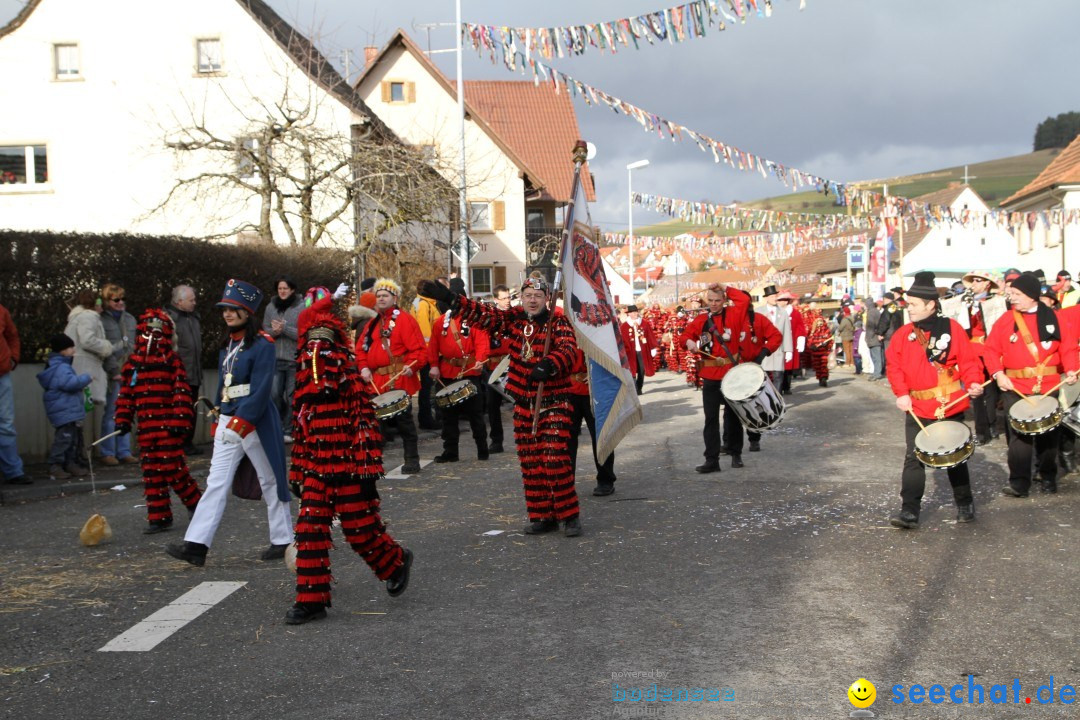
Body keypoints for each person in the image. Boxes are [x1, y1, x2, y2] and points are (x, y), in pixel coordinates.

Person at [422, 273, 583, 537]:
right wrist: (451, 299)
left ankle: (569, 515)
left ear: (547, 298)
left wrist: (551, 363)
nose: (532, 300)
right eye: (528, 295)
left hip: (554, 402)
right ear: (522, 297)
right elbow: (483, 314)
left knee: (554, 458)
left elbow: (568, 349)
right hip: (524, 402)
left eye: (538, 296)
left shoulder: (559, 321)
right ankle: (543, 515)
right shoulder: (514, 318)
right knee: (531, 463)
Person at [285, 290, 411, 625]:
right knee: (310, 531)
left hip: (350, 469)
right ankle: (310, 600)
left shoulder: (351, 384)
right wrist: (297, 472)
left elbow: (366, 427)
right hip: (316, 468)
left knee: (360, 531)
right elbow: (301, 433)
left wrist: (368, 474)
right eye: (312, 352)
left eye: (324, 352)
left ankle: (395, 562)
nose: (317, 361)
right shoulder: (302, 392)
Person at [166, 279, 294, 567]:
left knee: (270, 479)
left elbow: (260, 389)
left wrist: (242, 419)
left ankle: (283, 538)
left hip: (256, 421)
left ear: (247, 313)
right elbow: (228, 385)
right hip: (230, 418)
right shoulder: (228, 345)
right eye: (225, 308)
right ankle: (196, 546)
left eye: (234, 309)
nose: (227, 314)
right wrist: (220, 414)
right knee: (216, 482)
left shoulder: (263, 345)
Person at [885, 272, 984, 529]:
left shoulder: (952, 329)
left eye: (914, 305)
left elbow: (969, 361)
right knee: (913, 458)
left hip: (948, 403)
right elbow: (894, 367)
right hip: (917, 407)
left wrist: (973, 382)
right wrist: (902, 394)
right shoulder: (902, 335)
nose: (909, 310)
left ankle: (964, 503)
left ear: (930, 305)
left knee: (954, 456)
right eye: (908, 304)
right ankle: (909, 511)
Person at [985, 272, 1079, 497]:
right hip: (1014, 385)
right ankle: (1019, 482)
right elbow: (990, 349)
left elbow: (1068, 347)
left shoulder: (1055, 318)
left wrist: (1071, 369)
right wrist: (998, 374)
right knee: (1018, 436)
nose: (1012, 298)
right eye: (1011, 294)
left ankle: (1047, 475)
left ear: (1031, 296)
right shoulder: (1007, 319)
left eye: (1017, 294)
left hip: (1047, 385)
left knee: (1048, 434)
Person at [115, 308, 203, 534]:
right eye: (148, 333)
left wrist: (179, 421)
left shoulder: (172, 361)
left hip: (167, 427)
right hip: (146, 427)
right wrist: (123, 420)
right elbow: (126, 395)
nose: (152, 338)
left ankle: (197, 505)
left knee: (173, 467)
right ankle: (159, 516)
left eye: (158, 333)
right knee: (152, 471)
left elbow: (181, 393)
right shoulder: (133, 364)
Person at [355, 278, 427, 474]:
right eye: (378, 296)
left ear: (394, 298)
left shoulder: (405, 320)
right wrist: (363, 367)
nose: (381, 299)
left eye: (385, 296)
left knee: (404, 422)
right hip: (376, 380)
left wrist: (411, 367)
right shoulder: (371, 324)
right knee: (373, 424)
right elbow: (361, 350)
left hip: (399, 378)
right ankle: (373, 462)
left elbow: (419, 350)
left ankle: (411, 459)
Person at [678, 282, 752, 473]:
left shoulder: (735, 314)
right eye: (710, 300)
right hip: (710, 375)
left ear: (724, 300)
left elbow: (744, 299)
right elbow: (684, 336)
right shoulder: (701, 320)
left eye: (718, 300)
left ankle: (736, 453)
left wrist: (725, 287)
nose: (713, 304)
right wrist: (688, 342)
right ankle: (712, 460)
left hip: (731, 374)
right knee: (710, 419)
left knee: (734, 416)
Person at [428, 280, 490, 462]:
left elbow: (481, 342)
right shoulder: (440, 323)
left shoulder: (474, 321)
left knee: (475, 415)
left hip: (470, 372)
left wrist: (480, 360)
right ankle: (451, 451)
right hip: (447, 373)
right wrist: (433, 365)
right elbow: (433, 346)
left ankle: (482, 448)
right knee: (448, 416)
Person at [36, 334, 92, 480]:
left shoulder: (59, 366)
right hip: (66, 412)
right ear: (62, 351)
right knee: (64, 440)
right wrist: (86, 378)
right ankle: (56, 465)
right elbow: (70, 383)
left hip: (67, 412)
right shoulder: (61, 367)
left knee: (72, 439)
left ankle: (69, 464)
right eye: (70, 347)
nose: (73, 350)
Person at [567, 348, 617, 496]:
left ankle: (605, 479)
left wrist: (599, 373)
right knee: (567, 439)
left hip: (595, 389)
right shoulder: (561, 328)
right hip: (569, 389)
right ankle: (566, 482)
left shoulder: (597, 326)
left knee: (601, 435)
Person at [98, 283, 137, 465]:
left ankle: (124, 450)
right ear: (107, 301)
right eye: (116, 299)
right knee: (112, 413)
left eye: (123, 299)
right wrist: (114, 371)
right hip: (113, 373)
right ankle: (107, 452)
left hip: (131, 372)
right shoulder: (101, 321)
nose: (120, 302)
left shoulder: (130, 319)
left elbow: (135, 345)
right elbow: (104, 349)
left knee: (127, 412)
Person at [737, 304, 782, 459]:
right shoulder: (728, 320)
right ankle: (729, 442)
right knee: (732, 407)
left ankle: (754, 438)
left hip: (753, 367)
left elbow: (776, 336)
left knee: (754, 405)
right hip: (732, 368)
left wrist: (764, 351)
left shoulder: (759, 319)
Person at [262, 276, 302, 442]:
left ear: (292, 289)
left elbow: (302, 333)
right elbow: (265, 330)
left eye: (285, 288)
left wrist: (284, 329)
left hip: (294, 359)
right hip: (275, 359)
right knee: (275, 395)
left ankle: (288, 429)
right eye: (280, 289)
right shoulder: (270, 307)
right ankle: (278, 425)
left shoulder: (301, 307)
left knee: (292, 396)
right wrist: (274, 332)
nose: (282, 291)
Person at [168, 284, 204, 456]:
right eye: (191, 300)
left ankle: (188, 442)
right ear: (180, 301)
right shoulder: (171, 319)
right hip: (179, 373)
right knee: (179, 410)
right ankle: (177, 442)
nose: (195, 303)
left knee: (192, 409)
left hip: (194, 371)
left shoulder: (194, 318)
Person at [0, 300, 28, 485]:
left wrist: (13, 357)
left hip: (2, 373)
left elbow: (12, 335)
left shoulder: (2, 311)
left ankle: (13, 471)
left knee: (6, 423)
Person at [483, 284, 512, 453]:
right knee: (493, 405)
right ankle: (496, 440)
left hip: (513, 364)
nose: (507, 301)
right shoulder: (489, 319)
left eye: (508, 297)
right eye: (503, 298)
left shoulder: (516, 315)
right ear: (496, 300)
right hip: (494, 366)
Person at [412, 279, 442, 430]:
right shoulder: (424, 305)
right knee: (428, 387)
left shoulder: (422, 303)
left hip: (425, 351)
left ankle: (427, 417)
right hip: (428, 352)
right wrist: (433, 354)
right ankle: (426, 418)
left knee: (427, 386)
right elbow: (426, 333)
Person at [756, 286, 792, 389]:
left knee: (778, 376)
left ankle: (778, 400)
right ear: (766, 298)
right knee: (764, 376)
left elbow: (786, 331)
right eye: (772, 296)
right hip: (764, 348)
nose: (774, 298)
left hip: (778, 348)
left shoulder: (783, 312)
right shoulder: (758, 312)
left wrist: (789, 350)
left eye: (775, 296)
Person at [620, 305, 659, 395]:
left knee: (642, 370)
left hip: (642, 350)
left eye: (636, 312)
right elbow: (622, 340)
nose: (634, 314)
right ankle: (634, 388)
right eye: (632, 312)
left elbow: (650, 336)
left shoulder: (644, 323)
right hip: (630, 352)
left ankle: (639, 386)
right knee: (632, 370)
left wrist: (653, 348)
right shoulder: (624, 326)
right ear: (628, 314)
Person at [777, 292, 805, 394]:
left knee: (788, 367)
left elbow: (800, 328)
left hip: (790, 343)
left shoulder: (795, 313)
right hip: (778, 343)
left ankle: (787, 387)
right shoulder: (776, 312)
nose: (779, 302)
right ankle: (779, 387)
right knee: (778, 366)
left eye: (781, 300)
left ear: (786, 301)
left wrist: (800, 340)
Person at [864, 296, 884, 380]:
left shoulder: (872, 313)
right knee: (876, 356)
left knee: (876, 356)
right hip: (874, 337)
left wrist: (869, 337)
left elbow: (872, 326)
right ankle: (876, 372)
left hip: (873, 337)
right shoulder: (875, 311)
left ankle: (877, 373)